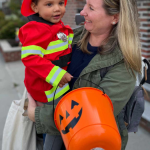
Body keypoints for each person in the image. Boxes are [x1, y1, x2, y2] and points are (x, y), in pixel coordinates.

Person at [27, 0, 141, 150]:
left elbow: (87, 118)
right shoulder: (70, 37)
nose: (82, 12)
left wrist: (36, 115)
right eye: (86, 4)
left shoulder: (124, 67)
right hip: (51, 131)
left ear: (115, 17)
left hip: (88, 143)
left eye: (91, 8)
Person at [19, 0, 73, 149]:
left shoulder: (55, 25)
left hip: (56, 86)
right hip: (48, 90)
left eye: (61, 3)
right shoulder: (36, 28)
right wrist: (57, 74)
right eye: (49, 4)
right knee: (56, 126)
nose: (57, 8)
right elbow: (30, 57)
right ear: (35, 7)